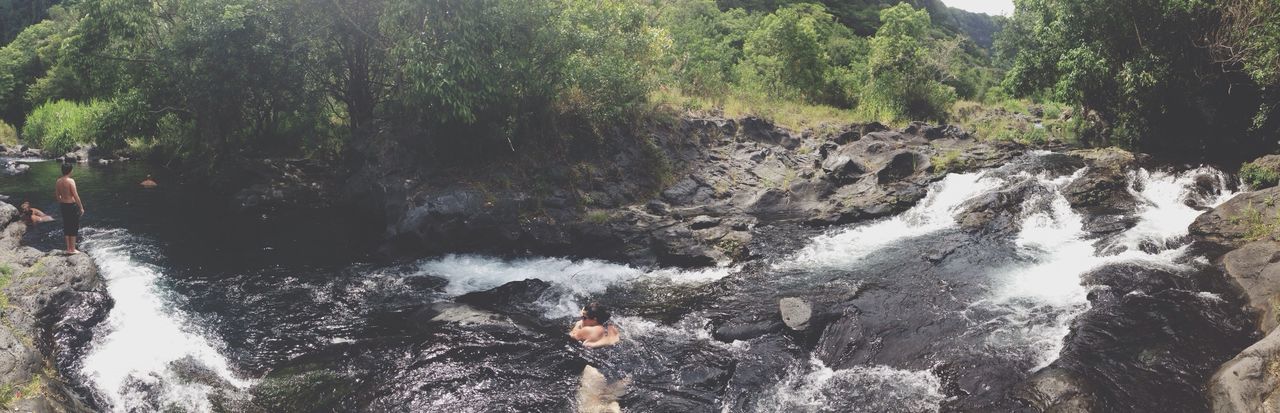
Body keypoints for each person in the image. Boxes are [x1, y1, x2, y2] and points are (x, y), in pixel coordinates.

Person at [570, 302, 627, 413]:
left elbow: (572, 334)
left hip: (597, 371)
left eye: (584, 317)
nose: (582, 319)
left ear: (594, 319)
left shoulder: (589, 330)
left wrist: (578, 325)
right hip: (619, 371)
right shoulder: (613, 328)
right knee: (610, 402)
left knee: (589, 408)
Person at [55, 163, 84, 254]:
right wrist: (81, 207)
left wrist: (61, 201)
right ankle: (73, 249)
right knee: (74, 226)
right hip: (71, 206)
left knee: (67, 225)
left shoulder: (58, 181)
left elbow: (57, 195)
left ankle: (68, 248)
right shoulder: (71, 181)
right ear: (70, 170)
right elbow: (75, 195)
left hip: (63, 205)